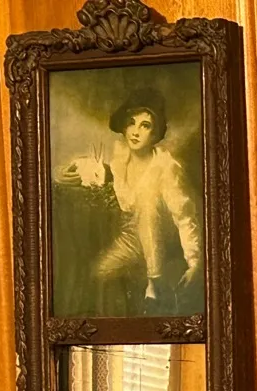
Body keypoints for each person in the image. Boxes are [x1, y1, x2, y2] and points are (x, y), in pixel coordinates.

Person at [55, 86, 202, 316]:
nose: (135, 131)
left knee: (147, 200)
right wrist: (69, 171)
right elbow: (106, 174)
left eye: (145, 125)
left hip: (164, 237)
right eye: (131, 123)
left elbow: (185, 217)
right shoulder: (121, 159)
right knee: (99, 275)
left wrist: (194, 261)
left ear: (155, 133)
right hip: (131, 237)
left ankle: (155, 284)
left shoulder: (166, 167)